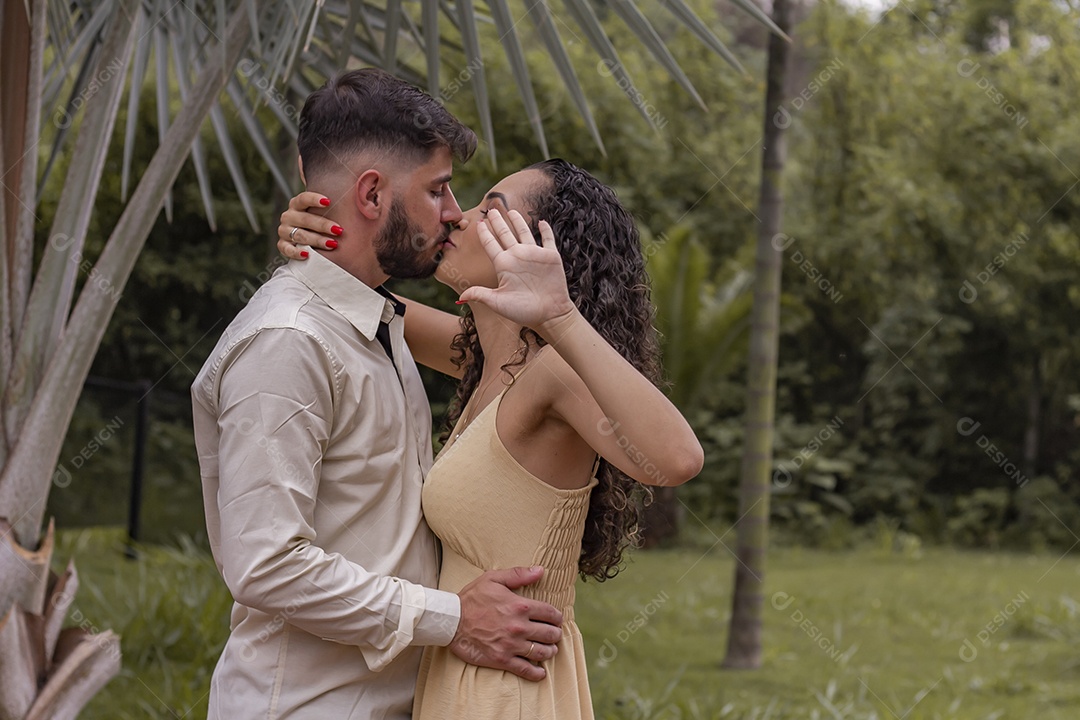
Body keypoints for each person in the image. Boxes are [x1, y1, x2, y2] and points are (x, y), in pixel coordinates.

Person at [191, 69, 566, 720]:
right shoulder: (288, 343)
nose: (454, 215)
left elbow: (523, 366)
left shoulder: (374, 323)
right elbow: (267, 564)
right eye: (440, 190)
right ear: (371, 194)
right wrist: (454, 618)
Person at [277, 158, 705, 719]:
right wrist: (313, 241)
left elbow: (676, 458)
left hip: (506, 689)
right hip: (466, 669)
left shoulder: (551, 376)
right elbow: (352, 301)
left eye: (490, 211)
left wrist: (559, 314)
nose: (457, 217)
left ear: (545, 251)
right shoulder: (490, 363)